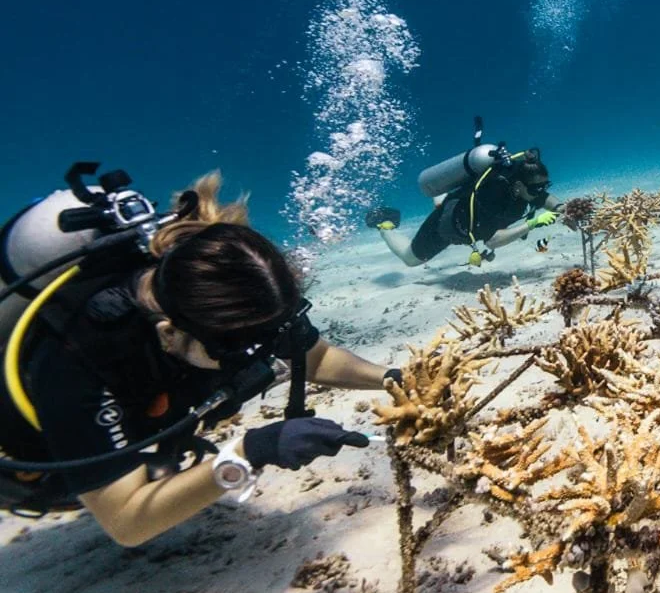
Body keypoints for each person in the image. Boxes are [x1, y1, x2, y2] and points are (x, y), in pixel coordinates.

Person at [0, 170, 387, 544]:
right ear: (170, 334)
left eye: (269, 334)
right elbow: (126, 521)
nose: (255, 355)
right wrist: (249, 451)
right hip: (27, 457)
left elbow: (315, 357)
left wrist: (391, 377)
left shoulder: (231, 294)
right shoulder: (81, 357)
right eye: (234, 350)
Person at [367, 134, 559, 267]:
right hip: (447, 226)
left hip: (464, 211)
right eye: (536, 188)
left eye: (545, 186)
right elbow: (493, 241)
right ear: (518, 186)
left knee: (449, 202)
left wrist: (564, 208)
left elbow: (545, 199)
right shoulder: (494, 196)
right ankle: (385, 226)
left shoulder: (523, 188)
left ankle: (441, 197)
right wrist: (532, 224)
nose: (540, 192)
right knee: (411, 259)